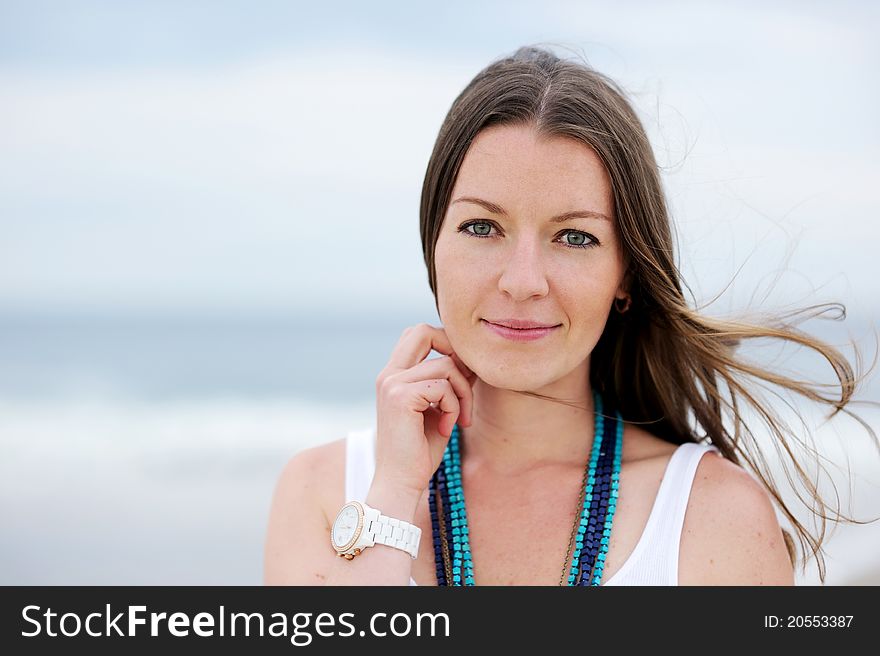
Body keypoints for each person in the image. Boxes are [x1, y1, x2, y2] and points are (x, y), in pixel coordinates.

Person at [263, 45, 876, 586]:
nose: (523, 281)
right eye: (482, 227)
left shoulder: (712, 517)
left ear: (626, 275)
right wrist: (394, 495)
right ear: (434, 246)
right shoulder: (322, 492)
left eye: (575, 237)